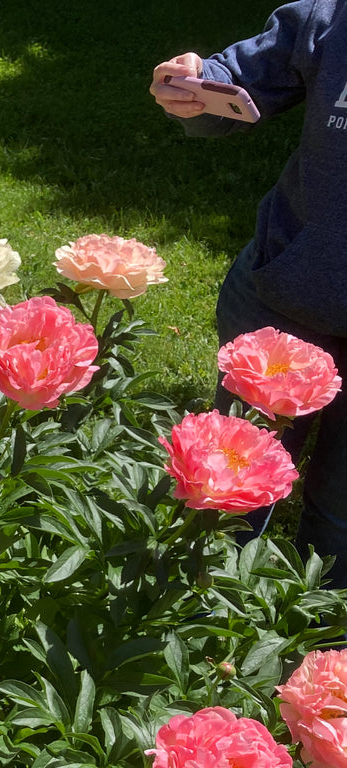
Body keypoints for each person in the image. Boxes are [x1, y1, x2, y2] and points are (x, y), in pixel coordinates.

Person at [150, 0, 347, 586]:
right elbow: (228, 89)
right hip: (283, 299)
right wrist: (191, 85)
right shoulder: (327, 19)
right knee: (228, 494)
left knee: (339, 521)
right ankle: (190, 637)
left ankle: (317, 664)